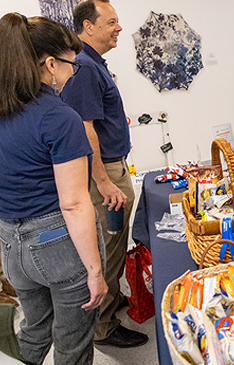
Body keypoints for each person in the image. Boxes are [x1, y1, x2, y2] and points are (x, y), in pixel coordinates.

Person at [0, 13, 108, 364]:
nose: (70, 74)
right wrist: (95, 271)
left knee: (35, 328)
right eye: (70, 66)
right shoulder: (59, 118)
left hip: (11, 244)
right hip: (56, 245)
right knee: (72, 341)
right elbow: (75, 204)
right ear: (49, 64)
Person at [61, 0, 148, 347]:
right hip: (104, 172)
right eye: (111, 22)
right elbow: (85, 128)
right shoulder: (83, 65)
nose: (119, 28)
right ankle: (104, 325)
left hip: (113, 165)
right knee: (109, 246)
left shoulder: (93, 64)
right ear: (88, 26)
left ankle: (111, 304)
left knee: (114, 243)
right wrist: (103, 180)